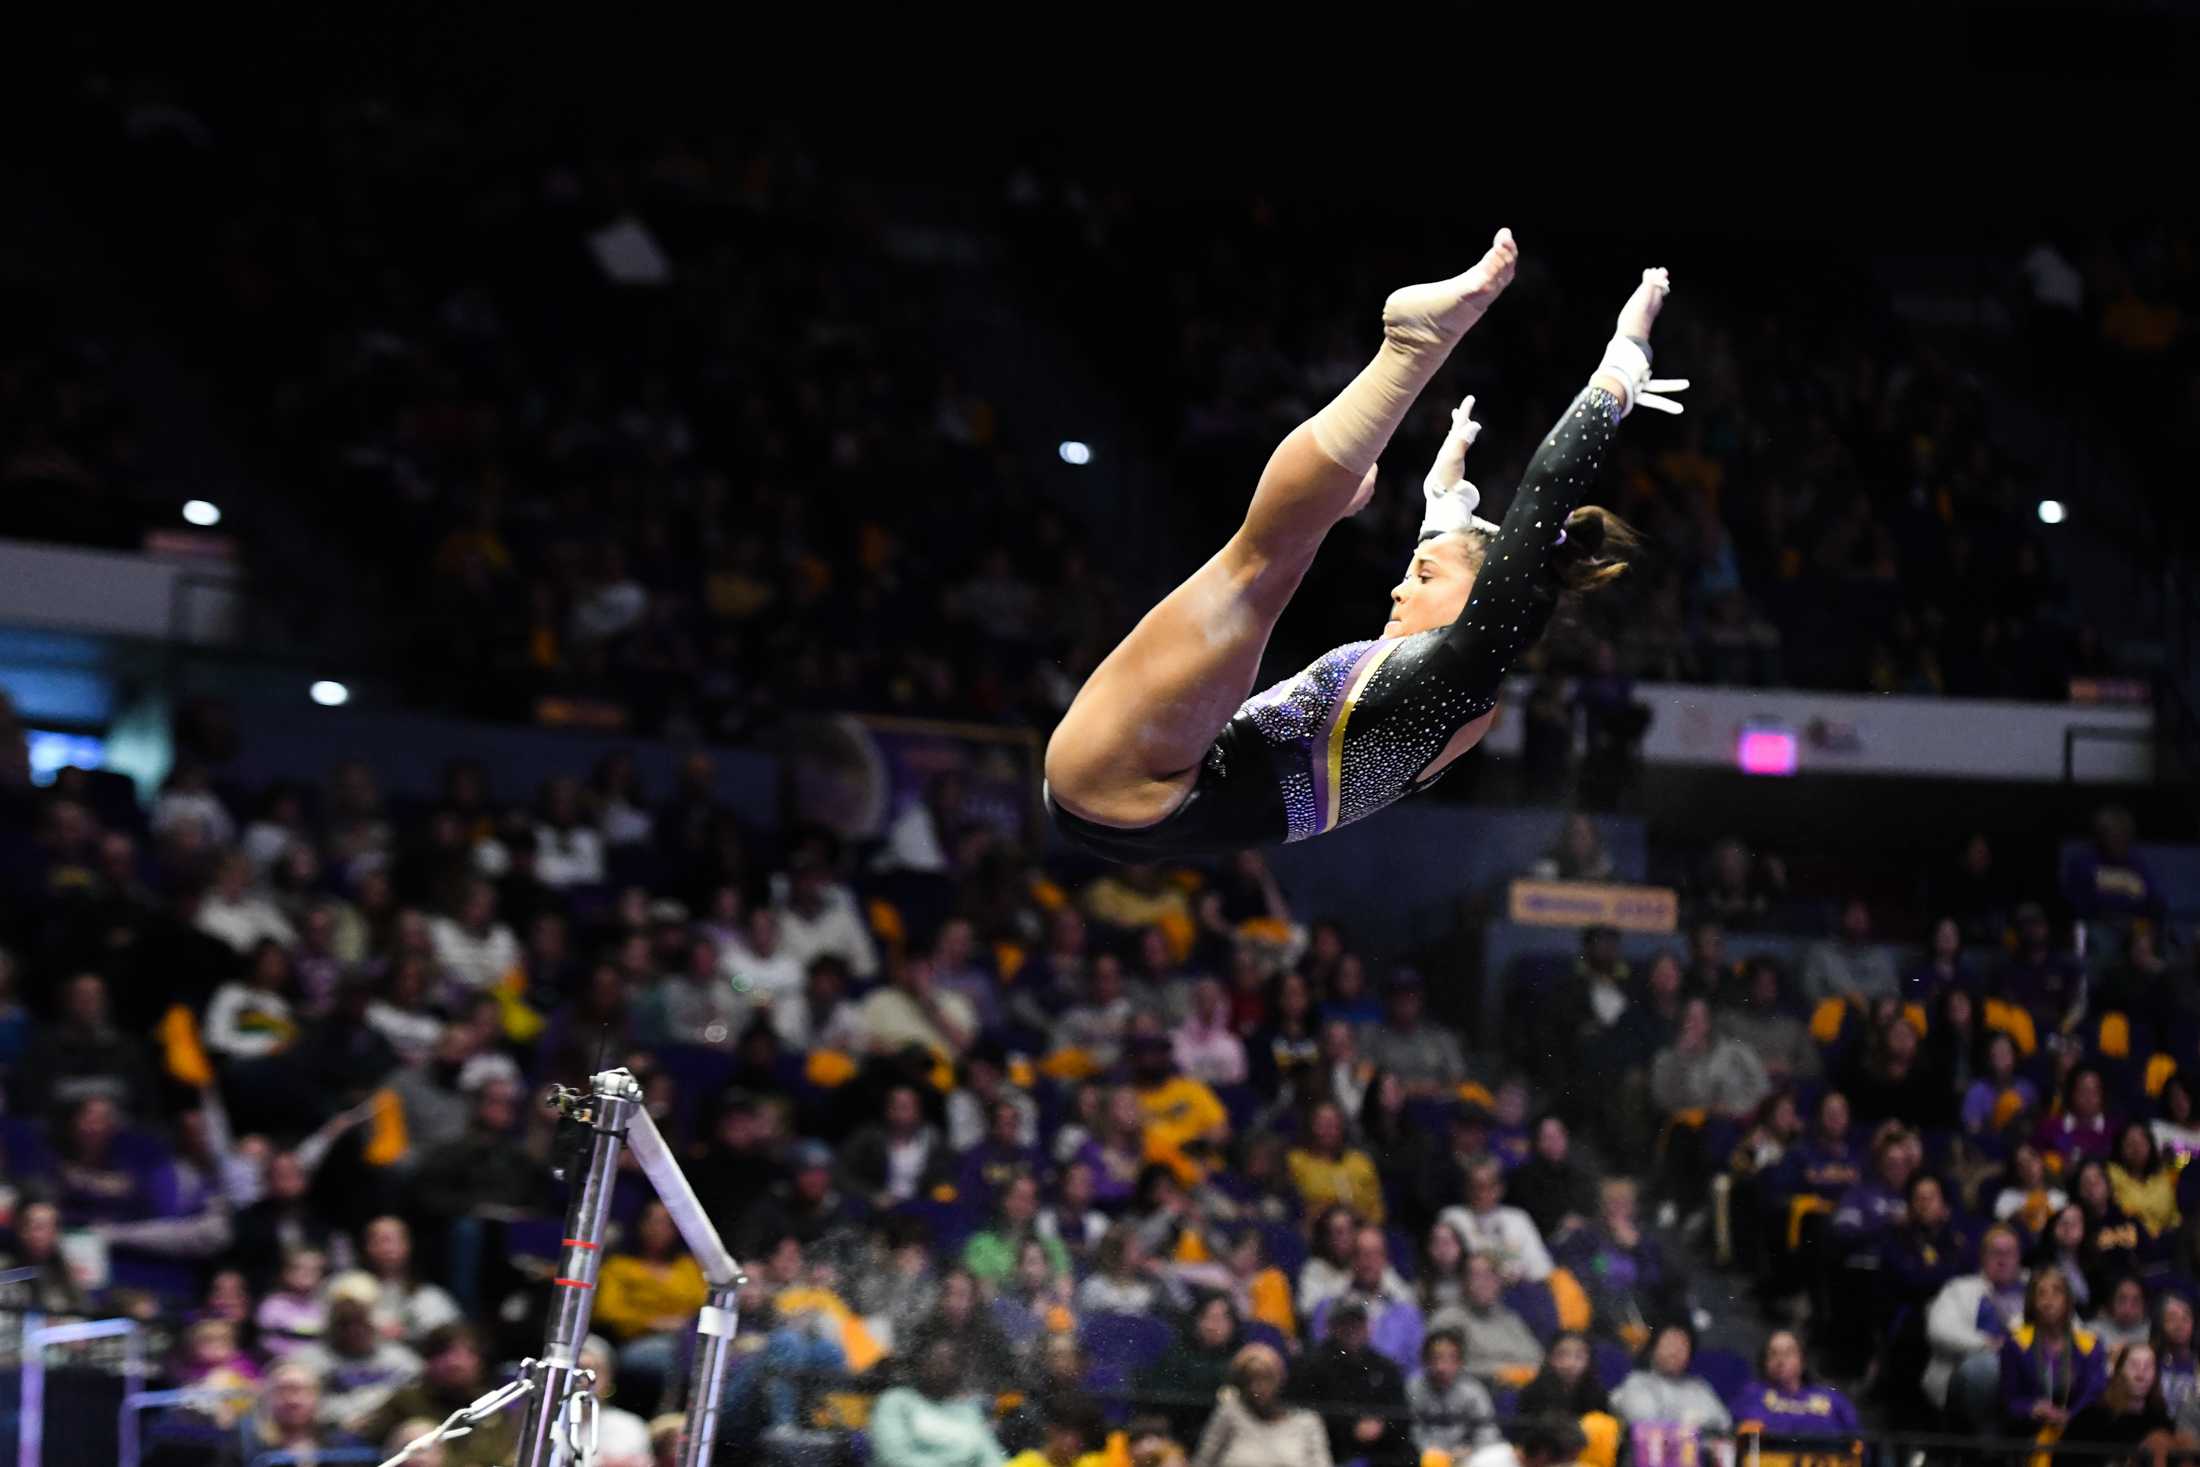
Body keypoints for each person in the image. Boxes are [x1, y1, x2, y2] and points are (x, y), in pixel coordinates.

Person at [1043, 246, 1680, 860]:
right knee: (1277, 555)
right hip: (1143, 800)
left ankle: (1408, 350)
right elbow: (1455, 557)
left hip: (1134, 783)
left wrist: (1622, 365)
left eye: (1422, 575)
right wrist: (1445, 501)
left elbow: (1542, 494)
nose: (1400, 590)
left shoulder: (1466, 666)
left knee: (1264, 566)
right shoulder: (1449, 695)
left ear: (1491, 593)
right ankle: (1392, 375)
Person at [594, 1201, 709, 1407]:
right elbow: (607, 1311)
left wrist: (685, 1324)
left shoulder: (688, 1266)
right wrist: (652, 1322)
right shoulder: (618, 1266)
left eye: (667, 1223)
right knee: (676, 1359)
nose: (659, 1229)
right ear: (640, 1225)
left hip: (686, 1338)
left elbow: (704, 1304)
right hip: (636, 1341)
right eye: (653, 1221)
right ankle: (670, 1414)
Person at [361, 1324, 517, 1467]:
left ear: (480, 1361)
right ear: (429, 1360)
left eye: (467, 1353)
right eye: (445, 1353)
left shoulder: (491, 1406)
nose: (455, 1363)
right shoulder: (406, 1401)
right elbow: (366, 1440)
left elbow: (504, 1455)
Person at [1292, 1300, 1413, 1467]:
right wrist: (1350, 1429)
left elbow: (1401, 1414)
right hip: (1333, 1448)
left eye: (1357, 1323)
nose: (1352, 1329)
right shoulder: (1313, 1366)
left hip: (1380, 1449)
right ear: (1333, 1327)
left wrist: (1382, 1427)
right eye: (1345, 1323)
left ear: (1368, 1327)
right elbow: (1306, 1412)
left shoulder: (1384, 1367)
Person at [293, 1283, 424, 1431]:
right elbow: (301, 1405)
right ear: (332, 1327)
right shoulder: (310, 1360)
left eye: (360, 1323)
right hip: (332, 1433)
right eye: (345, 1324)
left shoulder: (401, 1359)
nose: (354, 1331)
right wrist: (341, 1419)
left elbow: (418, 1396)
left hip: (392, 1430)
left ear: (372, 1324)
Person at [1999, 1266, 2107, 1436]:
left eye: (2056, 1293)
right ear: (2031, 1302)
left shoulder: (2090, 1345)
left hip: (2076, 1433)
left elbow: (2093, 1395)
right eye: (2041, 1294)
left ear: (2068, 1300)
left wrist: (2069, 1416)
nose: (2048, 1301)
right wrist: (2031, 1408)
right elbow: (2009, 1399)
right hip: (2028, 1432)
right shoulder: (2015, 1344)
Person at [870, 1337, 1007, 1467]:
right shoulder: (896, 1402)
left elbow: (992, 1457)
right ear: (921, 1365)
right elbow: (894, 1458)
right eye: (937, 1362)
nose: (945, 1369)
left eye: (951, 1363)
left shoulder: (967, 1410)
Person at [1191, 1342, 1331, 1467]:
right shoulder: (1229, 1414)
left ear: (1279, 1379)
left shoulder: (1307, 1422)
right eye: (1249, 1380)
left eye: (1265, 1378)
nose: (1257, 1388)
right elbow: (1202, 1462)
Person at [1144, 1293, 1247, 1446]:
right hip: (1178, 1430)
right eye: (1207, 1317)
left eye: (1221, 1319)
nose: (1213, 1326)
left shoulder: (1242, 1358)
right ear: (1196, 1321)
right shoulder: (1176, 1353)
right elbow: (1161, 1398)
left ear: (1233, 1324)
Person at [1727, 1330, 1858, 1445]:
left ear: (1803, 1360)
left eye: (1788, 1353)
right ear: (1765, 1362)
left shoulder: (1832, 1398)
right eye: (1773, 1354)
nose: (1780, 1360)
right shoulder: (1750, 1396)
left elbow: (1859, 1443)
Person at [229, 1360, 367, 1467]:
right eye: (282, 1390)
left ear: (317, 1396)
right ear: (266, 1397)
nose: (292, 1400)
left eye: (300, 1390)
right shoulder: (245, 1444)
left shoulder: (340, 1443)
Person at [1439, 1158, 1554, 1284]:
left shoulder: (1518, 1218)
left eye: (1488, 1186)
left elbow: (1542, 1267)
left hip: (1515, 1290)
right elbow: (1445, 1264)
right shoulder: (1452, 1217)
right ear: (1466, 1188)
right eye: (1475, 1186)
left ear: (1500, 1188)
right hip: (1467, 1292)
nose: (1481, 1193)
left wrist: (1520, 1274)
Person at [1357, 969, 1469, 1098]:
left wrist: (1427, 1089)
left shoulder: (1440, 1036)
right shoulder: (1374, 1037)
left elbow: (1458, 1078)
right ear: (1388, 999)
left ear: (1421, 998)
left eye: (1411, 993)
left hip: (1435, 1107)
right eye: (1398, 994)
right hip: (1391, 1108)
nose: (1405, 1000)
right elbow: (1363, 1079)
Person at [1610, 1323, 1731, 1433]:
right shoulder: (1637, 1382)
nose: (1675, 1352)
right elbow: (1643, 1422)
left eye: (1682, 1346)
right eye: (1669, 1344)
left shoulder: (1699, 1387)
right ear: (1654, 1348)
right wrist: (1693, 1423)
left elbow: (1724, 1423)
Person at [2063, 1341, 2174, 1455]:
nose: (2140, 1375)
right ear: (2119, 1371)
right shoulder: (2090, 1420)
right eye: (2133, 1365)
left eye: (2148, 1367)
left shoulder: (2161, 1422)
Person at [1286, 1099, 1385, 1224]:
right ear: (1311, 1126)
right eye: (1322, 1124)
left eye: (1333, 1123)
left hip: (1359, 1231)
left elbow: (1377, 1211)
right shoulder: (1297, 1161)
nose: (1328, 1129)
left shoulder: (1361, 1162)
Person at [1407, 1327, 1501, 1457]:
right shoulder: (1413, 1387)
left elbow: (1488, 1432)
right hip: (1424, 1456)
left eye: (1449, 1359)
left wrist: (1470, 1451)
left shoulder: (1473, 1390)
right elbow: (1412, 1429)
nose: (1441, 1367)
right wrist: (1429, 1451)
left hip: (1465, 1457)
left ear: (1460, 1362)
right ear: (1425, 1360)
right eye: (1436, 1358)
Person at [1799, 898, 1897, 1008]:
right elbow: (1811, 994)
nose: (1858, 919)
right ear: (1840, 917)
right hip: (1835, 1015)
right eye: (1852, 913)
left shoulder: (1881, 956)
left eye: (1863, 914)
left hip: (1875, 1016)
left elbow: (1893, 994)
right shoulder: (1821, 952)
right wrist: (1846, 1001)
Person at [1515, 1332, 1611, 1420]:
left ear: (1589, 1360)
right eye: (1561, 1355)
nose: (1570, 1363)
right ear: (1550, 1358)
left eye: (1579, 1356)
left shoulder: (1598, 1395)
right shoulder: (1532, 1393)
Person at [1006, 1391, 1109, 1467]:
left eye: (1082, 1436)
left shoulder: (1090, 1463)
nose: (1077, 1442)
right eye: (1070, 1434)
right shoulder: (1025, 1464)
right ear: (1052, 1430)